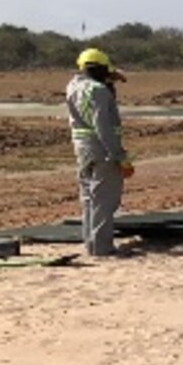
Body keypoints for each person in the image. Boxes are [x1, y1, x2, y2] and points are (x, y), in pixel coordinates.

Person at [65, 48, 134, 257]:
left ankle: (91, 244)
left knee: (88, 197)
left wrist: (110, 80)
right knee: (104, 199)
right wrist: (120, 156)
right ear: (100, 69)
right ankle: (103, 248)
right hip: (102, 149)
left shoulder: (73, 87)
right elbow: (102, 126)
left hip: (82, 149)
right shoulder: (99, 91)